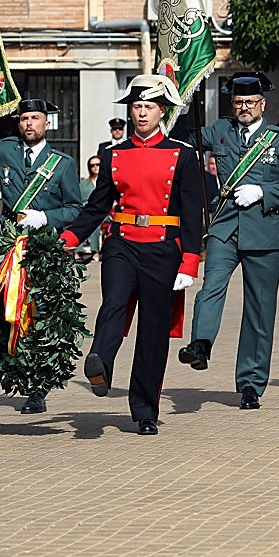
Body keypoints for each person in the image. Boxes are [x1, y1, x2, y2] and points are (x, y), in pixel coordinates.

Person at [60, 76, 203, 435]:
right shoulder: (112, 154)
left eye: (149, 107)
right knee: (114, 302)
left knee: (153, 332)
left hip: (163, 247)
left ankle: (144, 411)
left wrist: (189, 261)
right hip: (122, 241)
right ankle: (100, 362)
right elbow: (97, 207)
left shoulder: (183, 155)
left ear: (162, 112)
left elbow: (192, 214)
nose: (141, 113)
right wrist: (68, 238)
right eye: (136, 107)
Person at [177, 71, 279, 410]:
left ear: (262, 103)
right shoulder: (220, 130)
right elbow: (180, 138)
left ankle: (250, 383)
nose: (244, 108)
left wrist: (263, 191)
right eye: (238, 102)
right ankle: (201, 344)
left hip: (264, 232)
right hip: (225, 226)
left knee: (259, 310)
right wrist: (183, 103)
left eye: (250, 102)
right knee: (211, 286)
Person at [0, 97, 83, 415]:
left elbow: (74, 208)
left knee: (41, 315)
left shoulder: (63, 163)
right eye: (24, 118)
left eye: (35, 118)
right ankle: (16, 375)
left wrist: (46, 217)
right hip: (9, 245)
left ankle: (38, 389)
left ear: (47, 123)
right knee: (10, 314)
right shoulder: (3, 150)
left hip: (43, 248)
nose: (29, 123)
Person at [76, 156, 102, 261]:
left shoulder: (107, 182)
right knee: (81, 222)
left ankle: (95, 251)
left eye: (98, 164)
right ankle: (78, 251)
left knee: (96, 222)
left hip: (104, 213)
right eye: (92, 165)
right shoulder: (83, 184)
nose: (95, 167)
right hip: (87, 211)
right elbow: (79, 200)